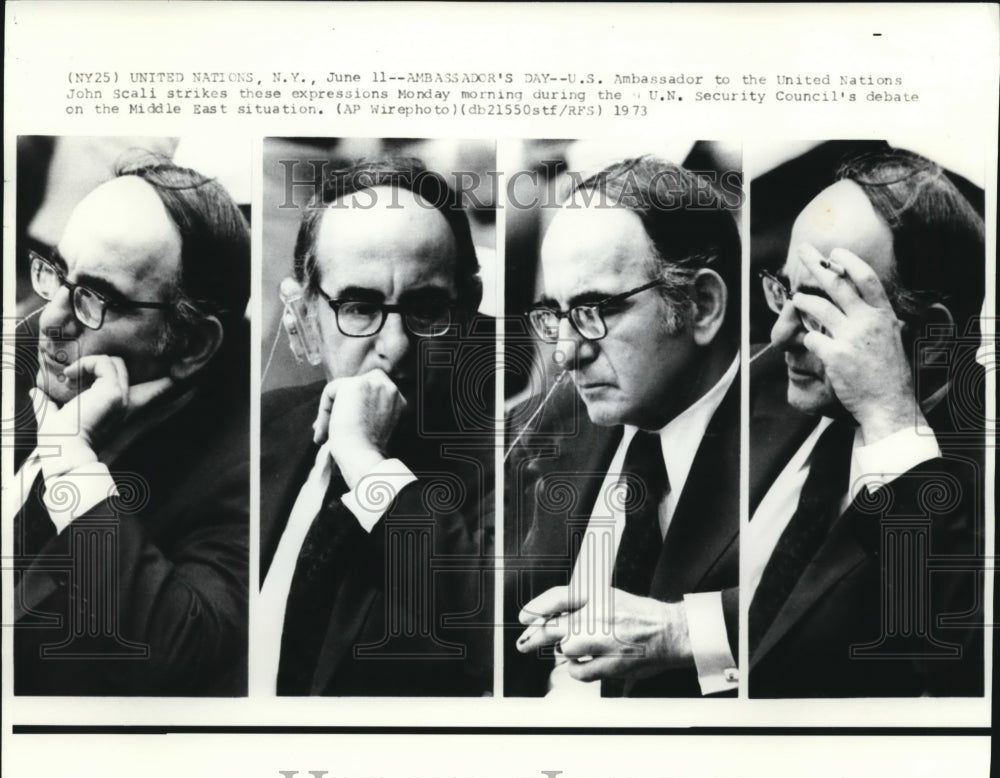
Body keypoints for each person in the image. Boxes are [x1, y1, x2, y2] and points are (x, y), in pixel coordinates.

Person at [748, 148, 986, 697]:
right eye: (783, 290)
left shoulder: (973, 485)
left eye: (822, 306)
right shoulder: (784, 403)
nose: (781, 334)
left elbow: (956, 671)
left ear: (931, 338)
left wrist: (890, 416)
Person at [13, 153, 251, 696]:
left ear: (191, 344)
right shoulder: (30, 346)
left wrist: (71, 458)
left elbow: (171, 652)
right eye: (57, 272)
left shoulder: (243, 475)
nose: (52, 318)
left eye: (96, 298)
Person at [505, 155, 742, 697]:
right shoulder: (544, 423)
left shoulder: (797, 435)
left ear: (701, 306)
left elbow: (844, 605)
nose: (566, 352)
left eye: (594, 310)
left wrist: (686, 631)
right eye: (554, 316)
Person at [259, 157, 493, 696]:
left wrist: (368, 464)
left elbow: (489, 644)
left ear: (468, 311)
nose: (395, 346)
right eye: (360, 308)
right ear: (302, 320)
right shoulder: (267, 430)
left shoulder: (512, 463)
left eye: (427, 308)